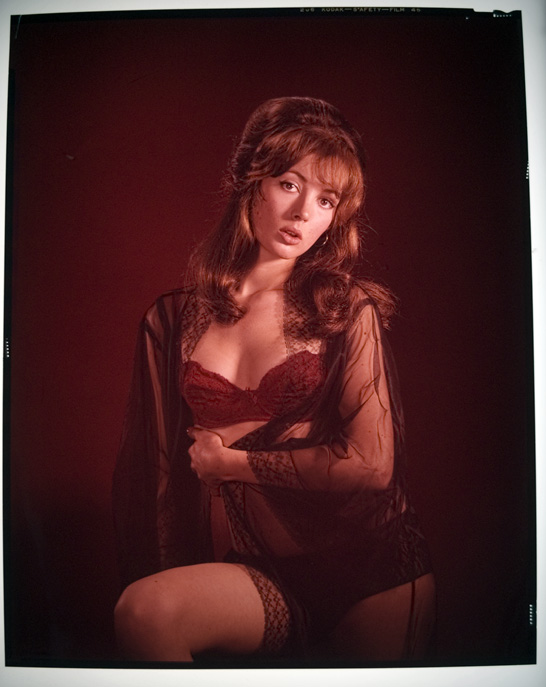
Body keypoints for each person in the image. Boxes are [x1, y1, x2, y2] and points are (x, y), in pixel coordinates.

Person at [112, 96, 436, 662]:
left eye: (326, 200)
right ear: (251, 182)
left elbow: (372, 465)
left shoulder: (344, 309)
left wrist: (232, 464)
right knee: (145, 611)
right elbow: (159, 481)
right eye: (289, 184)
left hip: (373, 571)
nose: (304, 212)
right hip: (263, 573)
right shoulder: (171, 320)